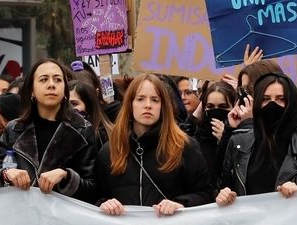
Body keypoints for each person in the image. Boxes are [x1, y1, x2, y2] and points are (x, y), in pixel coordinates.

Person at [96, 74, 213, 216]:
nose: (148, 105)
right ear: (130, 104)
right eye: (140, 99)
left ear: (163, 106)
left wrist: (181, 204)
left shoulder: (184, 147)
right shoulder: (109, 151)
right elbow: (96, 197)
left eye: (155, 100)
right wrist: (104, 204)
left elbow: (206, 195)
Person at [0, 59, 98, 201]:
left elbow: (94, 189)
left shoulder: (82, 129)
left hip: (64, 219)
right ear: (31, 89)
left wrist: (66, 176)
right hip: (20, 216)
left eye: (57, 80)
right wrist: (6, 174)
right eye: (43, 80)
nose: (51, 85)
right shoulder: (14, 129)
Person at [216, 73, 297, 206]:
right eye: (265, 99)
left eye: (281, 99)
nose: (272, 105)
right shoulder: (237, 141)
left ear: (291, 103)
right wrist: (223, 195)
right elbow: (223, 187)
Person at [195, 81, 236, 183]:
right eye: (210, 107)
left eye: (223, 107)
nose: (216, 111)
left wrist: (226, 139)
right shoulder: (197, 137)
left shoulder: (240, 137)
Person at [69, 80, 112, 146]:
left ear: (89, 106)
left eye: (74, 104)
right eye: (64, 104)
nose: (68, 109)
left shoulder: (103, 137)